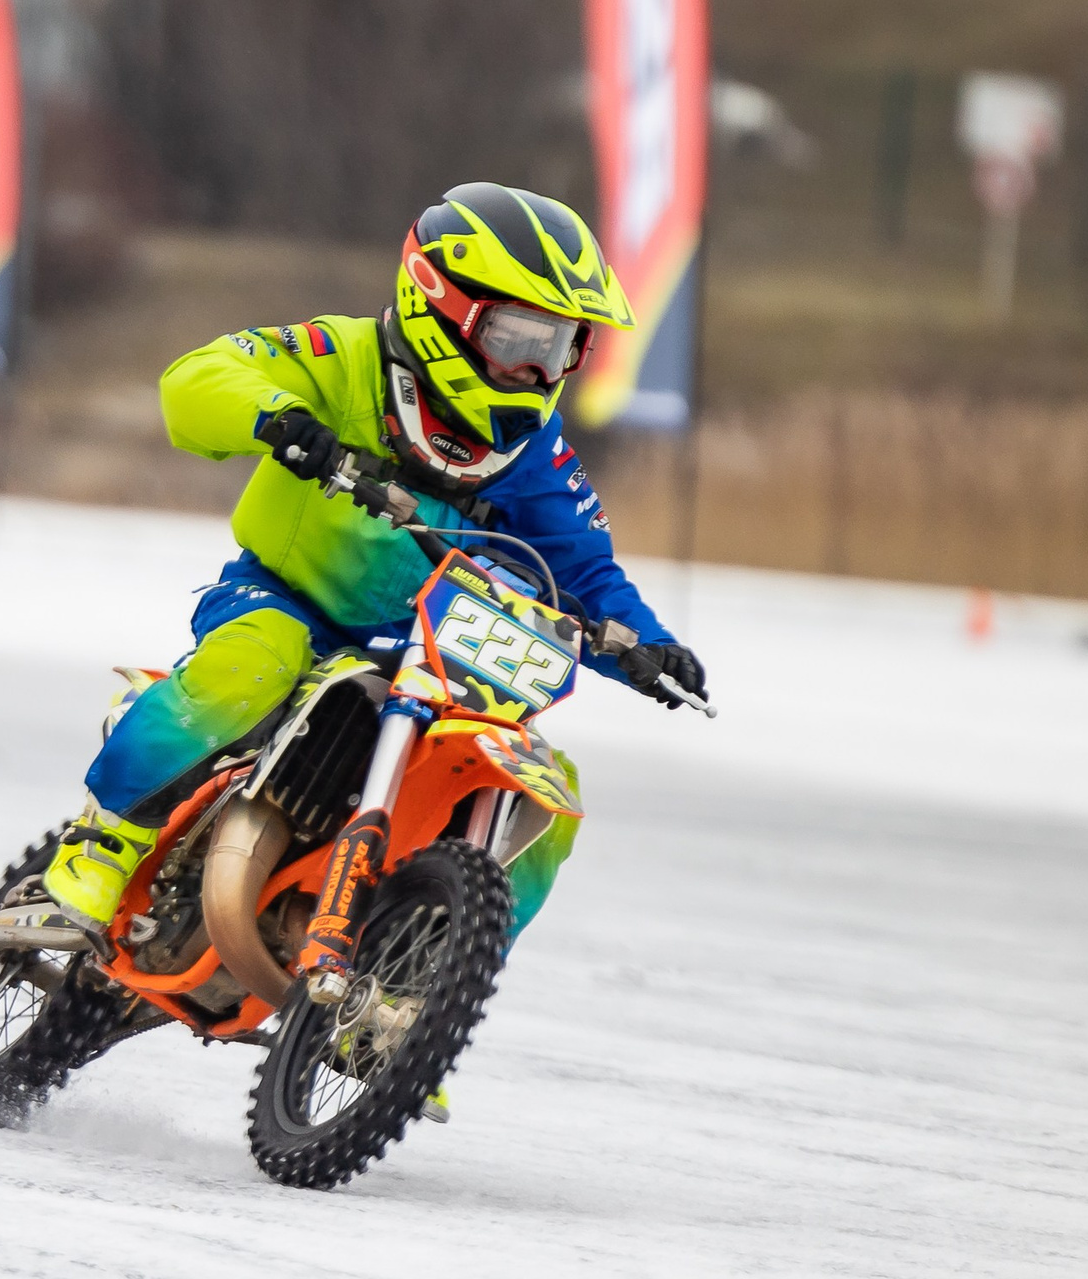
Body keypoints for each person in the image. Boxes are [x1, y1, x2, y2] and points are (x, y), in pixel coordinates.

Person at [39, 182, 708, 950]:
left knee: (546, 791)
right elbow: (196, 378)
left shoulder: (538, 453)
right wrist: (276, 420)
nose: (537, 370)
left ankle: (412, 997)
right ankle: (104, 844)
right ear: (442, 304)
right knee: (256, 662)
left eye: (558, 347)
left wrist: (650, 648)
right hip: (287, 601)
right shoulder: (343, 357)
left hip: (432, 654)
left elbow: (587, 576)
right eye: (522, 339)